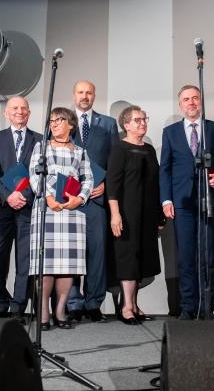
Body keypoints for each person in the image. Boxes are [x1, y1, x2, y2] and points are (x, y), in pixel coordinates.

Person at [159, 85, 214, 320]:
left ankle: (206, 306)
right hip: (182, 202)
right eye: (186, 99)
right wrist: (166, 199)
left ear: (201, 102)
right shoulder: (170, 132)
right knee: (186, 257)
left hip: (209, 200)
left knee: (207, 254)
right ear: (180, 104)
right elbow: (165, 169)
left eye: (195, 98)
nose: (191, 103)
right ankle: (188, 307)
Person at [29, 107, 93, 330]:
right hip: (47, 210)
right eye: (52, 120)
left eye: (59, 120)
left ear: (71, 124)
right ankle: (43, 314)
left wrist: (80, 199)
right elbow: (34, 175)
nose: (54, 124)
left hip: (71, 211)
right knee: (45, 265)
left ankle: (60, 312)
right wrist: (47, 197)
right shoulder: (41, 147)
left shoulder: (80, 151)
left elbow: (88, 179)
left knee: (67, 265)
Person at [0, 96, 42, 322]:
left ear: (29, 113)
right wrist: (8, 196)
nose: (19, 112)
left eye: (23, 108)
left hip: (28, 208)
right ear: (6, 113)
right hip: (1, 206)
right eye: (14, 108)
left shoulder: (40, 140)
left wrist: (25, 196)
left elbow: (39, 173)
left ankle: (19, 305)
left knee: (25, 259)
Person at [67, 80, 119, 323]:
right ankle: (73, 303)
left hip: (97, 199)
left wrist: (106, 184)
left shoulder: (108, 123)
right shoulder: (63, 120)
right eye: (80, 92)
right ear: (74, 95)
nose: (84, 96)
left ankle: (94, 302)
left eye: (89, 92)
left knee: (97, 252)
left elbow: (116, 161)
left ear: (95, 95)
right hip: (68, 198)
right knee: (71, 253)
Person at [106, 106, 163, 325]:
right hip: (126, 213)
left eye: (144, 119)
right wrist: (115, 214)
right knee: (128, 258)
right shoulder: (119, 149)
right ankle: (126, 307)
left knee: (141, 259)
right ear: (126, 125)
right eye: (137, 120)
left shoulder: (149, 150)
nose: (142, 123)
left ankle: (135, 305)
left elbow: (155, 184)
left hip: (147, 214)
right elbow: (113, 183)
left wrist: (159, 216)